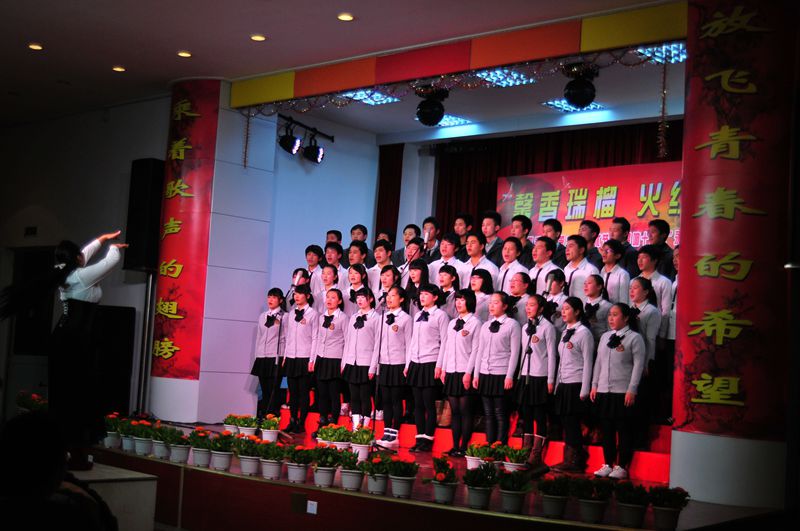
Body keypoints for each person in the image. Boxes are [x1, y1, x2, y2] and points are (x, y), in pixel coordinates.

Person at [36, 231, 128, 470]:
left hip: (67, 338)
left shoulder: (66, 272)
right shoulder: (80, 276)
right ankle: (74, 455)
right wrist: (113, 247)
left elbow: (83, 255)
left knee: (68, 395)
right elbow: (110, 263)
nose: (82, 257)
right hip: (75, 340)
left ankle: (63, 453)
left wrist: (101, 239)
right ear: (76, 259)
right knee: (79, 395)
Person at [591, 303, 647, 480]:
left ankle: (622, 466)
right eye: (609, 315)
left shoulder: (634, 338)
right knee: (606, 430)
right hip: (604, 390)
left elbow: (638, 366)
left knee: (623, 430)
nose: (611, 318)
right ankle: (608, 464)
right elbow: (598, 362)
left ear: (626, 318)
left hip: (622, 391)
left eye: (615, 315)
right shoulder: (605, 337)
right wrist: (594, 385)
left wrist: (632, 389)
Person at [469, 291, 521, 445]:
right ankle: (489, 444)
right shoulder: (486, 325)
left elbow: (514, 353)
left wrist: (509, 375)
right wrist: (476, 374)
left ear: (505, 306)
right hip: (485, 372)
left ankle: (500, 445)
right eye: (490, 302)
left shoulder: (512, 325)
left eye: (496, 302)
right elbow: (480, 351)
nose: (491, 306)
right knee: (488, 413)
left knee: (500, 413)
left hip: (501, 373)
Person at [436, 289, 481, 457]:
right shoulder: (452, 323)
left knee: (465, 411)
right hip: (451, 370)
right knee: (454, 411)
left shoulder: (475, 323)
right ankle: (455, 446)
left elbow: (476, 350)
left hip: (464, 371)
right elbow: (446, 347)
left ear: (469, 301)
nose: (459, 303)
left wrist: (469, 373)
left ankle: (464, 447)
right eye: (457, 300)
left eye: (462, 300)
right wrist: (443, 368)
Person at [552, 297, 595, 473]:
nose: (563, 312)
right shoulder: (565, 332)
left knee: (572, 422)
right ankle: (569, 458)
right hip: (564, 383)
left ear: (577, 312)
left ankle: (575, 460)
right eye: (562, 308)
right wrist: (557, 384)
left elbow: (588, 362)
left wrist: (585, 388)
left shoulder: (584, 333)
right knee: (565, 421)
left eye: (567, 308)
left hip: (576, 383)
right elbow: (561, 361)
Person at [405, 283, 449, 452]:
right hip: (416, 362)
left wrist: (440, 365)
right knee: (417, 404)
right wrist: (408, 363)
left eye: (426, 294)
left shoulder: (441, 315)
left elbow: (445, 342)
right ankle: (419, 437)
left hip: (431, 361)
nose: (422, 297)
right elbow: (412, 341)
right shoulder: (417, 315)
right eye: (421, 294)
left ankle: (428, 439)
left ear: (435, 297)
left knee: (429, 404)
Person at [518, 295, 557, 475]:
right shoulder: (526, 327)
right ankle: (525, 451)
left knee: (539, 416)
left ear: (541, 308)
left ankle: (536, 454)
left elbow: (551, 355)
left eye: (532, 305)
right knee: (526, 415)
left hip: (540, 376)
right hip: (526, 375)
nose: (528, 308)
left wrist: (550, 379)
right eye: (527, 305)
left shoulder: (548, 327)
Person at [371, 285, 413, 447]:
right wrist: (374, 365)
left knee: (396, 400)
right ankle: (386, 432)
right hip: (384, 364)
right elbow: (377, 343)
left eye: (393, 295)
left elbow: (409, 344)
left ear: (401, 299)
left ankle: (394, 434)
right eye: (388, 295)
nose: (389, 298)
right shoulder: (382, 317)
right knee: (385, 400)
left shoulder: (406, 319)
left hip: (398, 363)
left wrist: (407, 365)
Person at [341, 288, 380, 430]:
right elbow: (348, 341)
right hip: (352, 362)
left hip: (366, 362)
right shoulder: (353, 317)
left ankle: (365, 429)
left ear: (370, 299)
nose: (360, 300)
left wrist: (373, 367)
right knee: (354, 397)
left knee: (365, 396)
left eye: (363, 297)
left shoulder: (376, 318)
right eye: (358, 297)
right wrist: (344, 362)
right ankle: (356, 428)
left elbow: (377, 344)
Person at [310, 289, 348, 432]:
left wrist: (344, 362)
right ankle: (322, 421)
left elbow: (348, 341)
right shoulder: (321, 317)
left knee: (334, 394)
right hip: (321, 358)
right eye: (328, 297)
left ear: (339, 301)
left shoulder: (343, 318)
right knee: (322, 393)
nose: (329, 300)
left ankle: (333, 424)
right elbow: (318, 339)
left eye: (333, 297)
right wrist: (313, 359)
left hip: (335, 359)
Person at [283, 284, 318, 434]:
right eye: (295, 294)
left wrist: (312, 359)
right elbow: (288, 336)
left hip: (305, 357)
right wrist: (285, 356)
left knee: (303, 392)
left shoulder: (313, 314)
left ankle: (301, 422)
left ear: (307, 296)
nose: (296, 296)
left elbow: (315, 338)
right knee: (293, 392)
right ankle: (292, 420)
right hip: (291, 356)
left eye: (300, 294)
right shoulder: (291, 314)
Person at [251, 288, 287, 418]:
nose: (270, 300)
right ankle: (264, 414)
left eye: (274, 297)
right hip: (262, 356)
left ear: (280, 300)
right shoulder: (263, 316)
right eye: (269, 297)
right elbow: (259, 337)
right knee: (264, 389)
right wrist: (257, 355)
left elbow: (287, 337)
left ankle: (273, 415)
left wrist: (285, 357)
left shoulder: (285, 316)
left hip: (275, 356)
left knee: (273, 389)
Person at [636, 245, 673, 343]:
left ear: (655, 260)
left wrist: (662, 334)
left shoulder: (664, 282)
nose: (640, 261)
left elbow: (665, 311)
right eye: (638, 257)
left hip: (655, 329)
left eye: (644, 257)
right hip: (636, 328)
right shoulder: (634, 281)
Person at [563, 235, 600, 302]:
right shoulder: (566, 269)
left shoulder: (591, 270)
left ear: (581, 250)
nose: (567, 249)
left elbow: (596, 295)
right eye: (566, 246)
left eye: (570, 246)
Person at [583, 275, 612, 347]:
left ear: (599, 286)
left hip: (600, 344)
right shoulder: (582, 304)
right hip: (583, 344)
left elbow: (611, 330)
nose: (586, 286)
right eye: (585, 283)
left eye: (589, 283)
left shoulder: (607, 306)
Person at [600, 239, 631, 304]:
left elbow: (624, 299)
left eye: (608, 251)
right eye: (603, 250)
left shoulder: (622, 274)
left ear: (617, 256)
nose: (604, 253)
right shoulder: (601, 272)